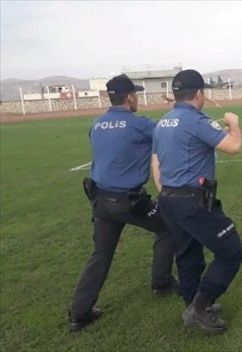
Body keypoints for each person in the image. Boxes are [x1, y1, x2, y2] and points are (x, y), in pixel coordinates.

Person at [69, 74, 177, 332]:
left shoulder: (96, 123)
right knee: (167, 227)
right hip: (129, 201)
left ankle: (79, 313)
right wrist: (176, 109)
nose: (137, 98)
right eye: (136, 95)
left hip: (100, 201)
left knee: (101, 255)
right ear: (129, 97)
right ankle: (161, 282)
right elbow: (168, 130)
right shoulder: (138, 124)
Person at [152, 69, 242, 334]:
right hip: (191, 201)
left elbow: (157, 162)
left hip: (169, 197)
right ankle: (200, 308)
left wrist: (166, 193)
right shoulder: (196, 120)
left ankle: (193, 304)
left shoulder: (164, 121)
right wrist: (233, 123)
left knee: (188, 254)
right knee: (231, 250)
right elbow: (234, 147)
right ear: (200, 93)